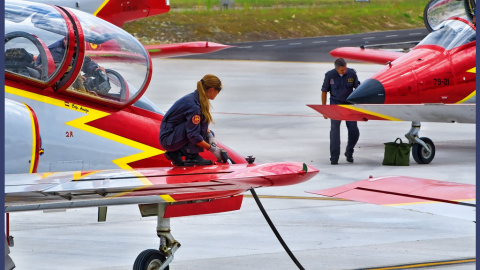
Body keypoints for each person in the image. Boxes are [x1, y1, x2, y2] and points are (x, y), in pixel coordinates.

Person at [159, 74, 224, 166]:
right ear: (212, 89)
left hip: (172, 135)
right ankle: (192, 157)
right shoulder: (194, 106)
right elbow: (193, 135)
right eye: (219, 90)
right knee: (196, 131)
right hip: (168, 139)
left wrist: (210, 136)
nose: (218, 93)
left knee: (207, 132)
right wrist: (212, 150)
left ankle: (175, 153)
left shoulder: (196, 99)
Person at [321, 58, 360, 165]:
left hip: (349, 105)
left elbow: (359, 89)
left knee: (354, 130)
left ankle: (349, 151)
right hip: (335, 105)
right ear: (336, 69)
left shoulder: (352, 73)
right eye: (342, 70)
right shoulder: (330, 75)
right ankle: (334, 157)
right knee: (334, 132)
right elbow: (324, 91)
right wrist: (324, 110)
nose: (344, 71)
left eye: (345, 69)